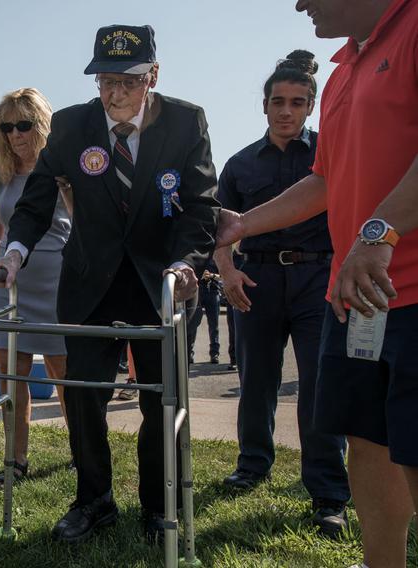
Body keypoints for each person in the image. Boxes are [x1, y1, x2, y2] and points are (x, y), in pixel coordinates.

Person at [0, 24, 219, 544]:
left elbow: (201, 205)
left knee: (159, 402)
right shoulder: (72, 127)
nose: (114, 94)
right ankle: (94, 500)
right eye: (105, 81)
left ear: (152, 76)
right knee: (86, 397)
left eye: (127, 82)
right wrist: (14, 254)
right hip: (90, 285)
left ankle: (158, 507)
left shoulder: (185, 122)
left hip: (158, 283)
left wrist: (186, 262)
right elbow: (35, 199)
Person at [218, 1, 417, 565]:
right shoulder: (343, 69)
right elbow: (326, 181)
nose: (300, 3)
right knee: (367, 442)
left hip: (411, 294)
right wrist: (243, 223)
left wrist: (378, 232)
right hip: (354, 299)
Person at [214, 50, 350, 537]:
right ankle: (252, 465)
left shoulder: (329, 157)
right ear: (264, 105)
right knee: (256, 382)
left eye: (297, 102)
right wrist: (228, 272)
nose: (286, 110)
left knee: (319, 386)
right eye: (277, 101)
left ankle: (329, 492)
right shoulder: (239, 164)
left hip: (319, 280)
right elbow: (217, 229)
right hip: (258, 280)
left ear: (311, 105)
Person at [0, 87, 71, 485]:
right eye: (7, 126)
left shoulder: (63, 172)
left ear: (41, 125)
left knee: (66, 380)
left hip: (57, 283)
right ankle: (16, 462)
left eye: (23, 124)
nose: (15, 134)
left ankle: (84, 455)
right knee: (13, 381)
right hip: (8, 287)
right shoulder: (1, 179)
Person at [186, 260, 220, 364]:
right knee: (194, 322)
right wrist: (200, 275)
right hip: (197, 291)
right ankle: (190, 352)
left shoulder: (217, 256)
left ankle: (214, 353)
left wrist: (211, 275)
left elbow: (223, 275)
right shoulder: (197, 255)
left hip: (213, 291)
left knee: (214, 324)